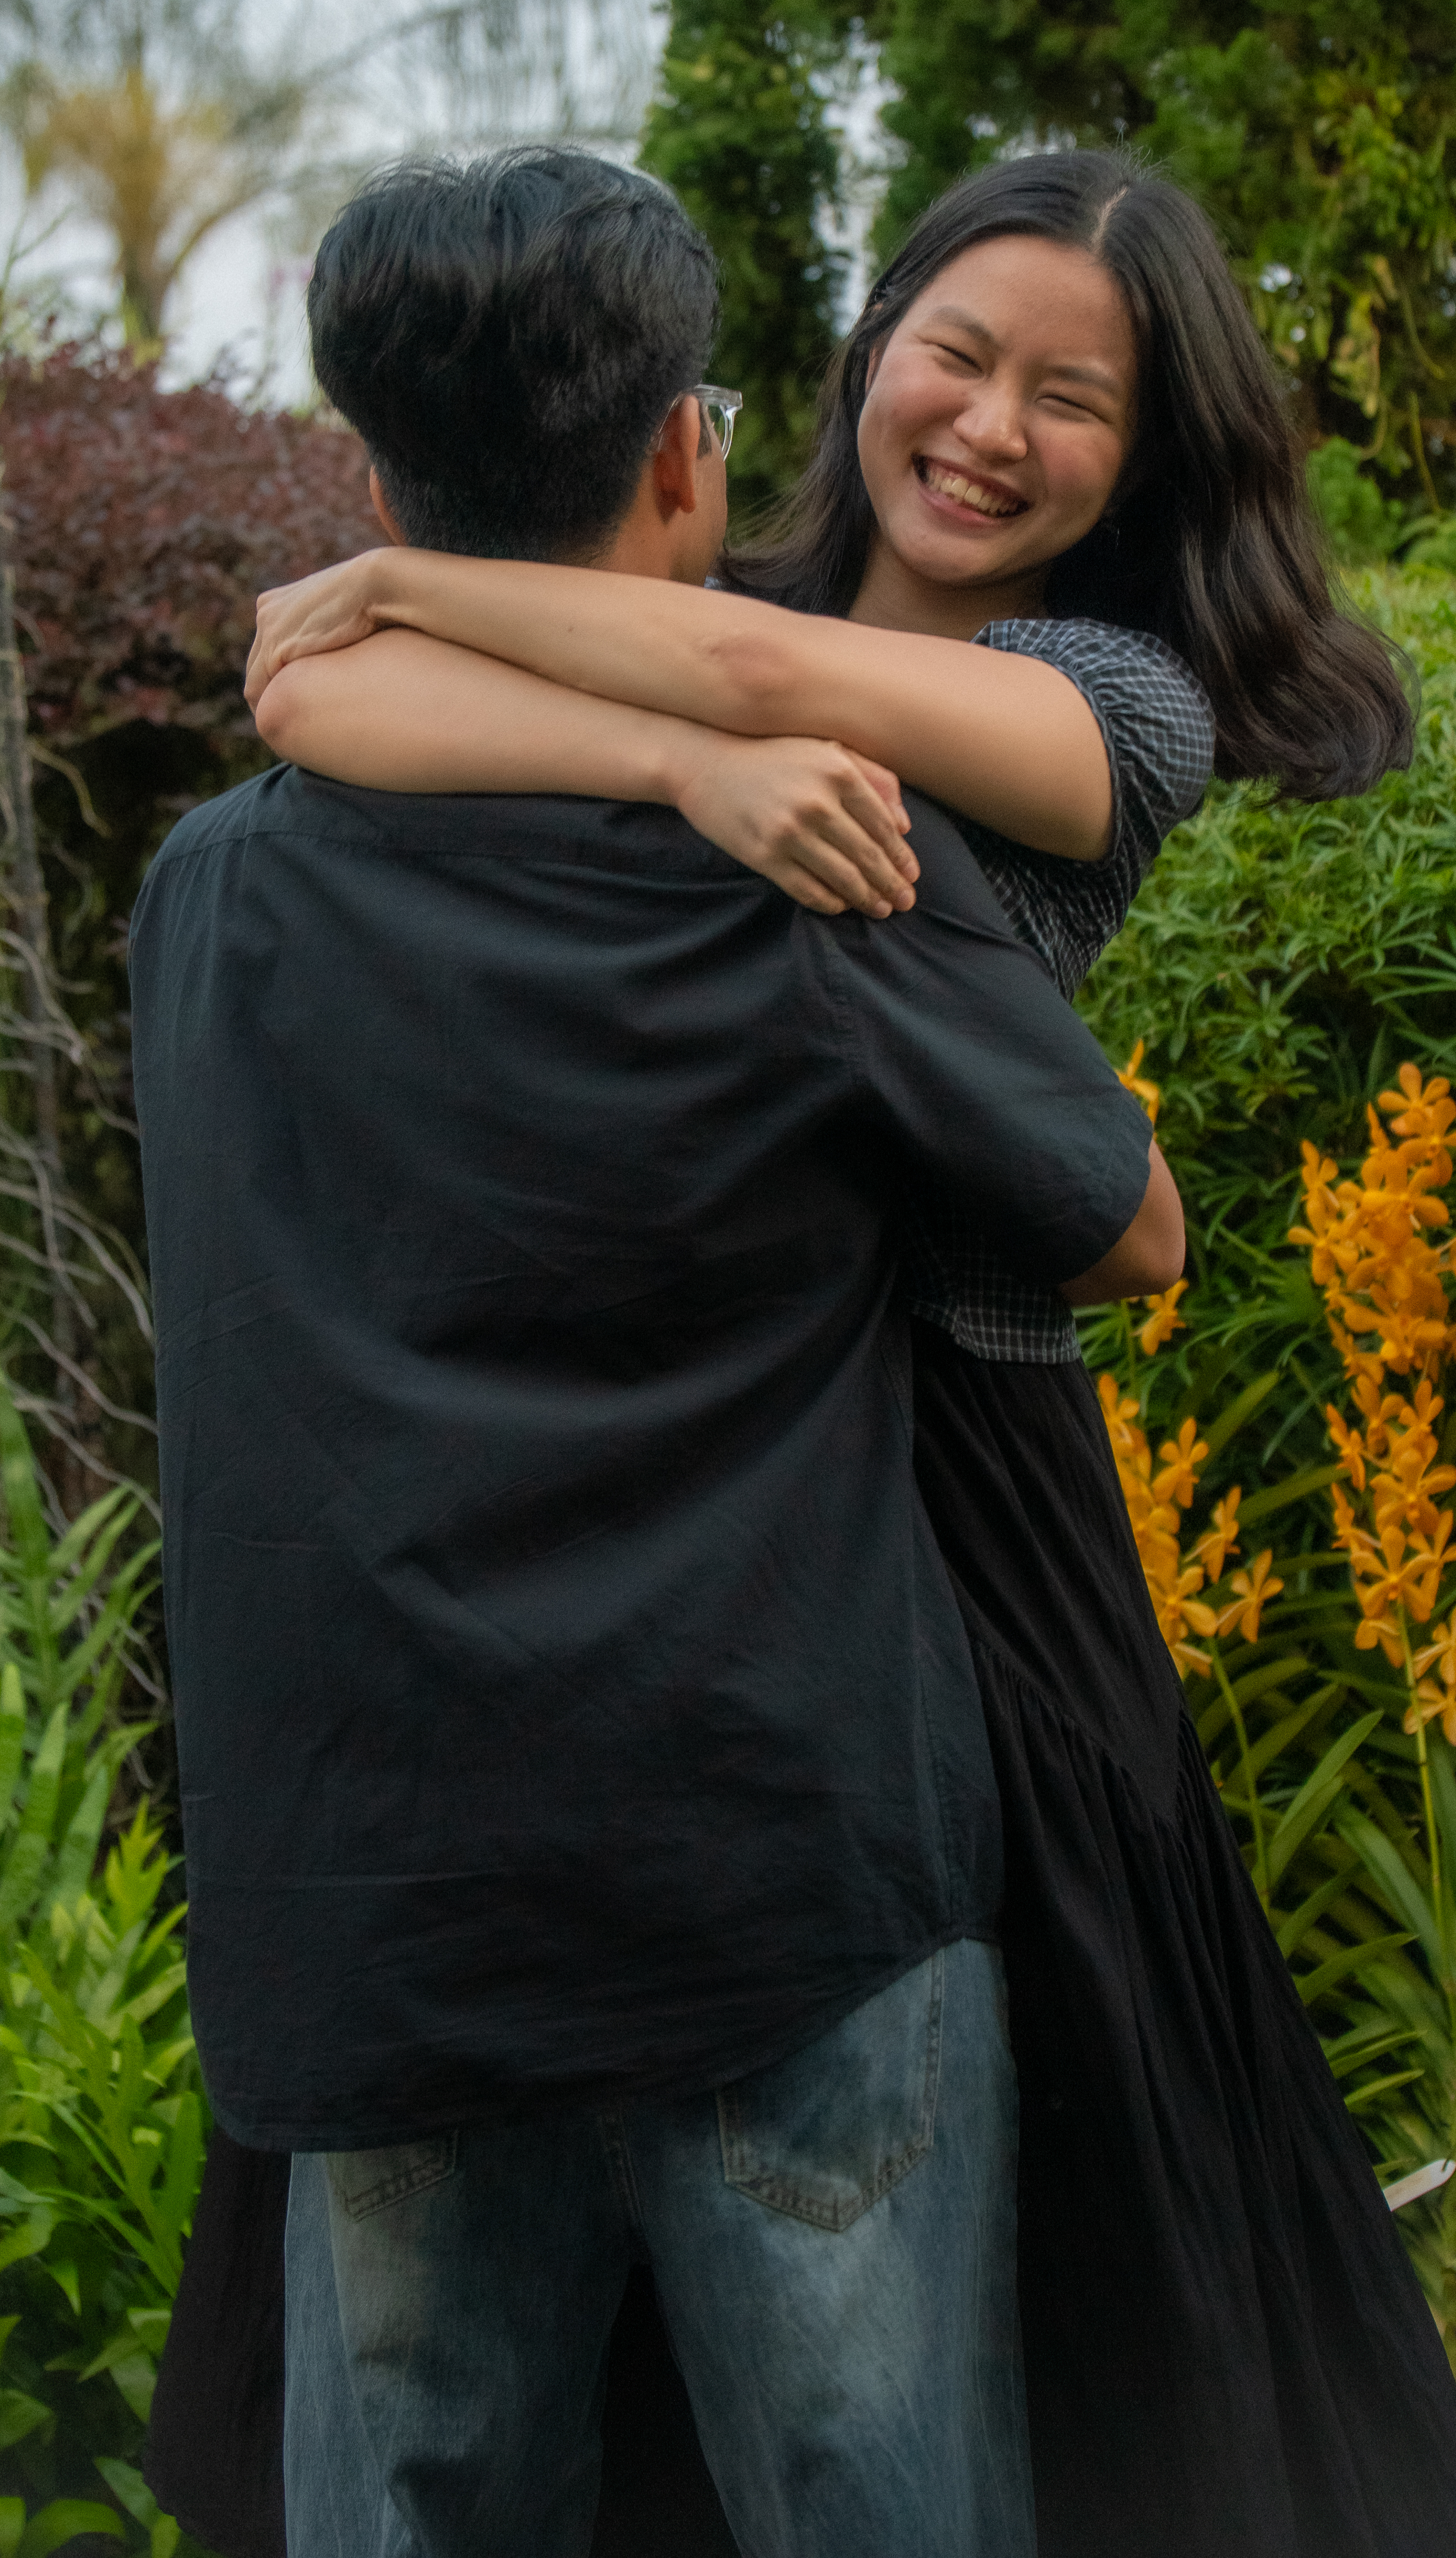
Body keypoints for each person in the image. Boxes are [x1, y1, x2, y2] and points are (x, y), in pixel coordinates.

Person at [220, 145, 1456, 2558]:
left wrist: (428, 588)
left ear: (1154, 458)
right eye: (960, 352)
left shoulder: (1110, 705)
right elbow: (317, 702)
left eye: (1075, 399)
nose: (994, 427)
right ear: (867, 346)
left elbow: (712, 682)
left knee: (958, 2243)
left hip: (950, 1487)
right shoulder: (681, 626)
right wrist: (662, 759)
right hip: (645, 1470)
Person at [128, 144, 1185, 2558]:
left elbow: (324, 705)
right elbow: (1129, 1231)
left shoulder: (201, 897)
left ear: (375, 488)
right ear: (691, 460)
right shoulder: (827, 872)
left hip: (375, 1885)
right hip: (770, 1853)